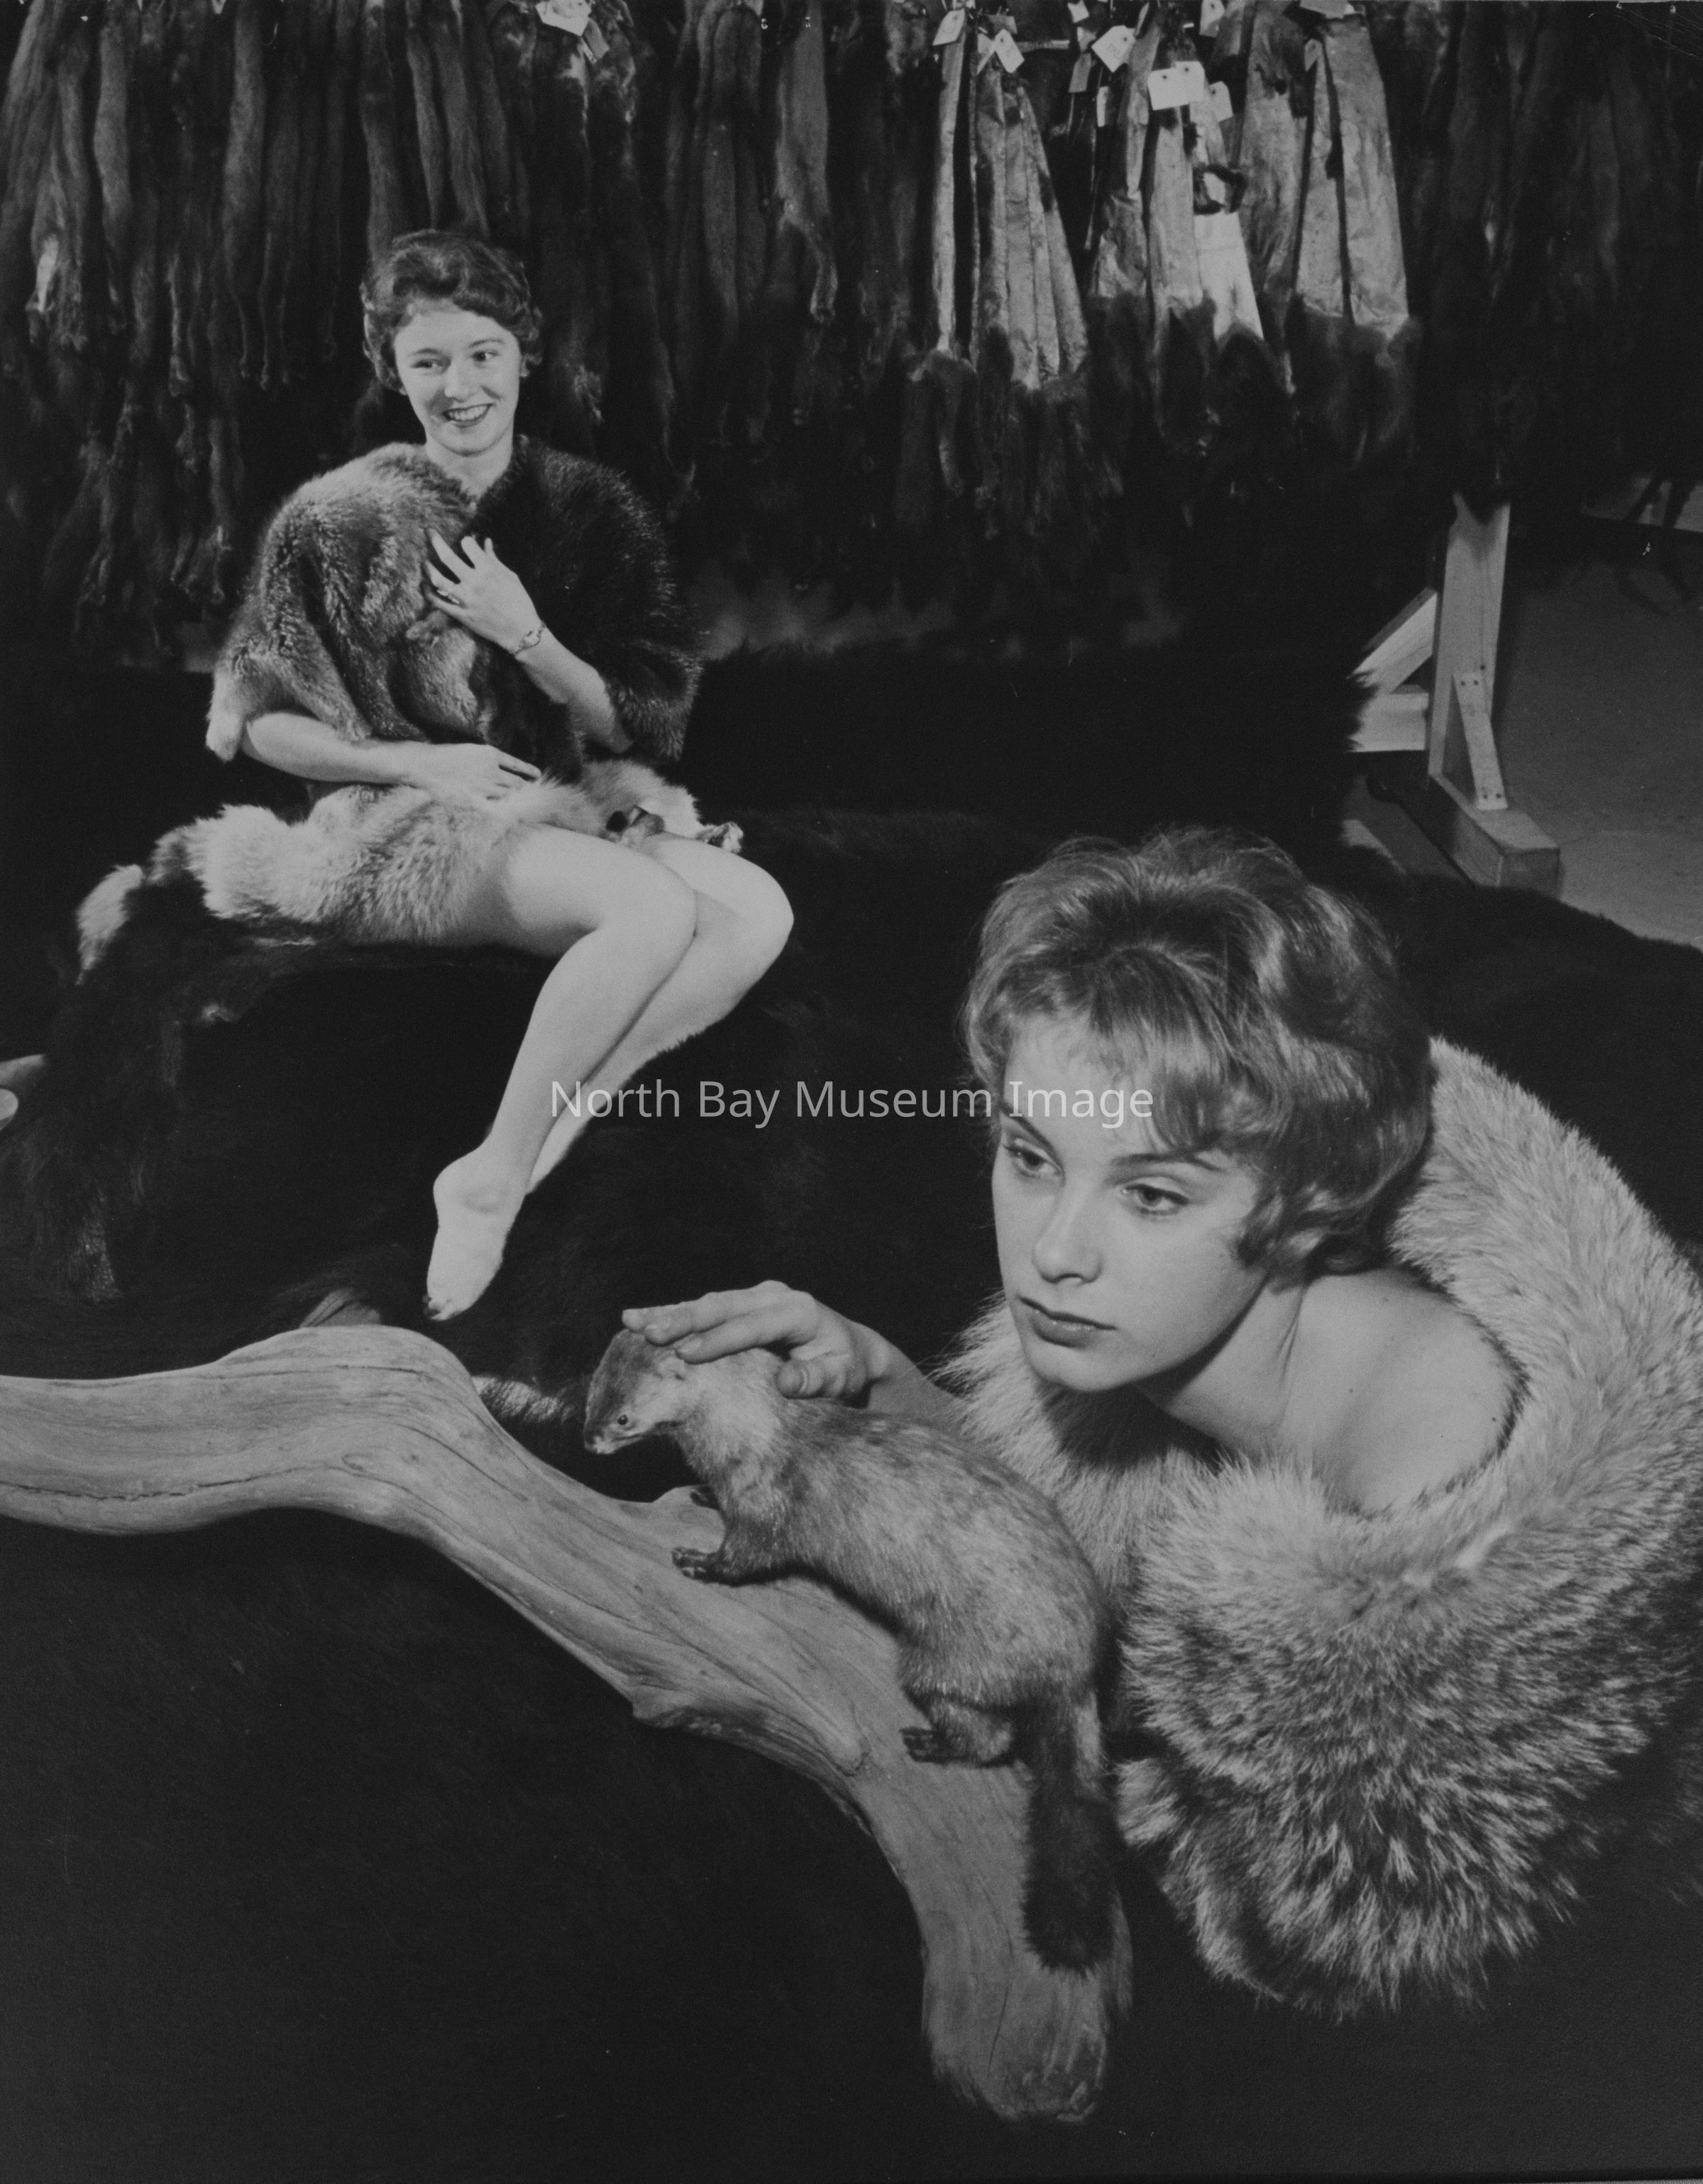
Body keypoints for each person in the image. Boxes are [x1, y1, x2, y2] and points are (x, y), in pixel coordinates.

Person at [623, 827, 1703, 2016]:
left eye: (1150, 1193)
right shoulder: (1164, 1331)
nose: (1055, 1251)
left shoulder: (1437, 1515)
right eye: (1032, 1155)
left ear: (1312, 1202)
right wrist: (885, 1381)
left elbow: (1313, 1926)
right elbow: (1063, 1535)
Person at [216, 231, 793, 1320]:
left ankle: (543, 1142)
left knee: (757, 910)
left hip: (560, 810)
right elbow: (259, 728)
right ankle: (488, 1176)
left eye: (483, 354)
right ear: (393, 370)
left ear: (525, 355)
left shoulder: (591, 506)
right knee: (652, 908)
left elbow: (645, 719)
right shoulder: (335, 514)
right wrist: (415, 760)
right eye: (429, 361)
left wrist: (525, 633)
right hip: (396, 826)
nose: (461, 387)